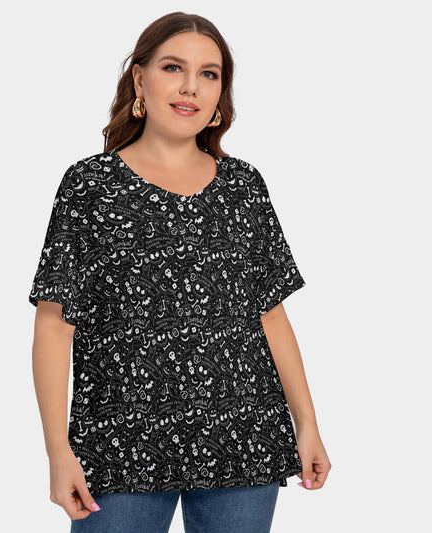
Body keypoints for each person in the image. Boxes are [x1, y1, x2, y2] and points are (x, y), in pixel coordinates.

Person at [28, 11, 331, 533]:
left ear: (220, 93)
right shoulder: (90, 186)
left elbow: (271, 316)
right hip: (122, 446)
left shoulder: (243, 187)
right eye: (173, 67)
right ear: (139, 78)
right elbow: (55, 325)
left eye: (209, 74)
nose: (191, 86)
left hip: (243, 440)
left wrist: (308, 425)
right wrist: (59, 451)